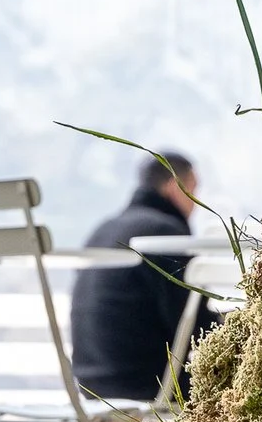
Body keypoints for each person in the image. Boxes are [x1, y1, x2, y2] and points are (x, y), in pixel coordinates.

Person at [71, 152, 204, 403]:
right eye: (194, 191)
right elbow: (196, 328)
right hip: (147, 386)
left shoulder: (104, 230)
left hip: (92, 388)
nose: (196, 205)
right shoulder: (164, 234)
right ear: (175, 187)